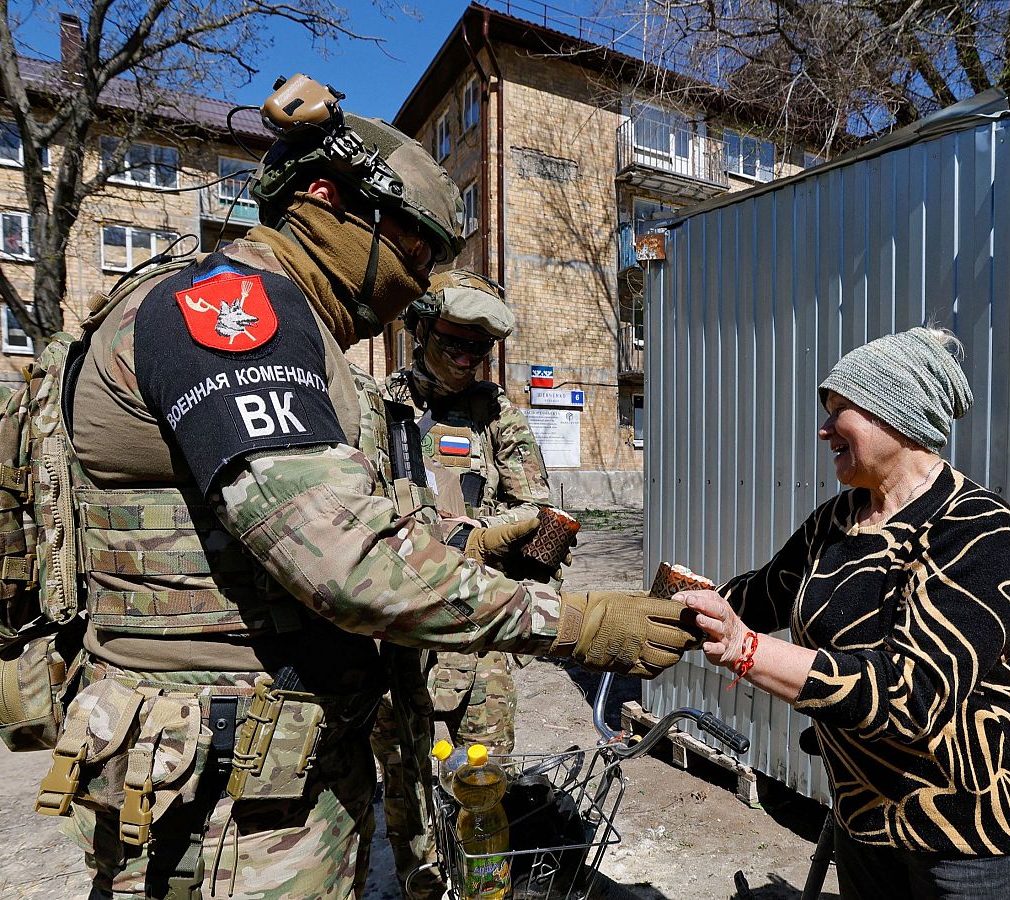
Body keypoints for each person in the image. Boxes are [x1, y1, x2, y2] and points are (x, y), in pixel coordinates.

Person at [40, 73, 696, 899]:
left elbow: (348, 522)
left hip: (265, 760)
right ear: (326, 199)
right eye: (416, 251)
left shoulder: (294, 329)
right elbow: (345, 560)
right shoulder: (236, 313)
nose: (419, 285)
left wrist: (472, 542)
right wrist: (578, 623)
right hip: (227, 793)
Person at [680, 327, 1010, 900]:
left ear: (897, 416)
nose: (824, 428)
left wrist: (746, 650)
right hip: (867, 823)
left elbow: (909, 694)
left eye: (841, 411)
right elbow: (757, 596)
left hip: (971, 834)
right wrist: (655, 614)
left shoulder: (978, 529)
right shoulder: (836, 521)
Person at [371, 269, 553, 897]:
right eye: (454, 342)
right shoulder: (382, 407)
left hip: (480, 634)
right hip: (399, 634)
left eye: (479, 348)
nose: (466, 358)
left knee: (485, 781)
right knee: (405, 783)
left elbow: (539, 510)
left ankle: (485, 890)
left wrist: (479, 536)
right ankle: (420, 885)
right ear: (420, 329)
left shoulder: (494, 410)